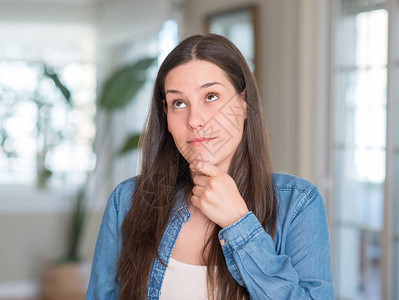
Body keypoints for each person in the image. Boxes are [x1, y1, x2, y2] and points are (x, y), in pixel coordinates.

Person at [86, 33, 334, 300]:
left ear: (244, 103)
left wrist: (239, 223)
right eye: (178, 103)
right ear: (166, 115)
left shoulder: (298, 203)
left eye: (211, 96)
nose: (195, 120)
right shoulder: (127, 201)